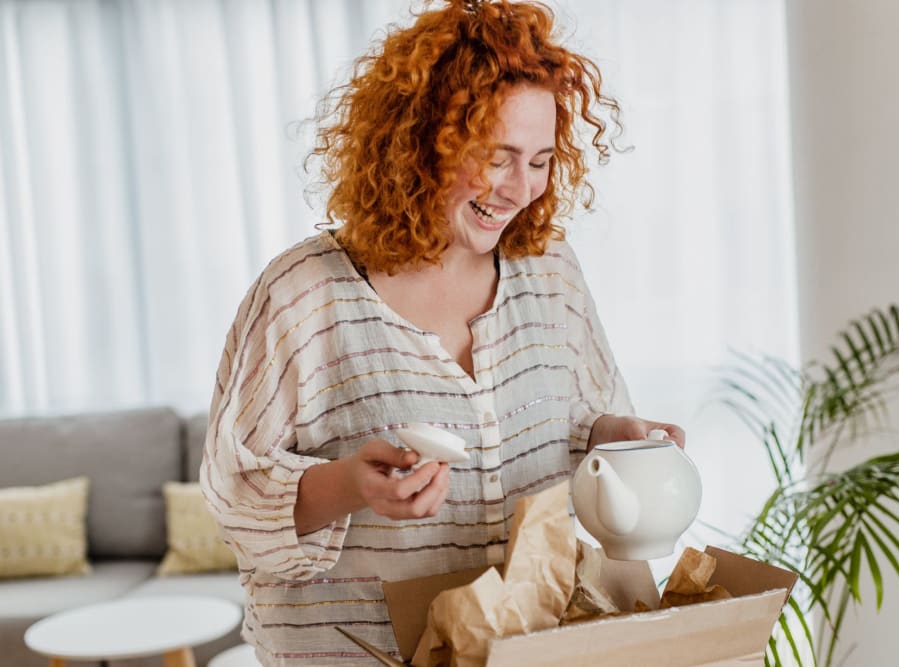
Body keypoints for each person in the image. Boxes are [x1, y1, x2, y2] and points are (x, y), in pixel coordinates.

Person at [201, 1, 685, 664]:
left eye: (541, 160)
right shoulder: (303, 295)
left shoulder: (551, 274)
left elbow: (570, 421)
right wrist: (352, 483)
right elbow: (235, 492)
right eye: (497, 156)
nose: (520, 189)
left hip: (524, 646)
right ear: (425, 139)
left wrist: (610, 436)